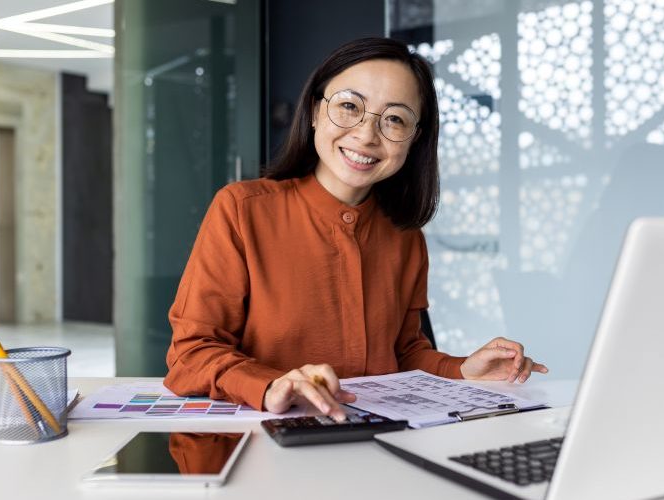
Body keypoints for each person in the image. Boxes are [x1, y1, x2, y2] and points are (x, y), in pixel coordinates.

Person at [164, 37, 547, 422]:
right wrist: (270, 385)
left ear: (415, 139)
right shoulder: (242, 211)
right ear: (315, 111)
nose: (367, 135)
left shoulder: (405, 236)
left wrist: (463, 370)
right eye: (349, 106)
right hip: (271, 441)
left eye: (394, 119)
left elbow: (405, 354)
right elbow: (191, 352)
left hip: (381, 441)